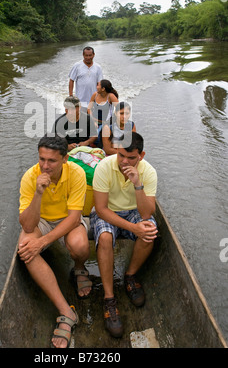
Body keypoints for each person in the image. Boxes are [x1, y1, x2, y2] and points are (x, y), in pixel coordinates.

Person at [18, 135, 92, 348]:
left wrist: (44, 243)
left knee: (79, 244)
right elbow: (27, 226)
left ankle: (79, 269)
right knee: (25, 249)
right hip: (41, 220)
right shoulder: (30, 177)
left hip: (68, 219)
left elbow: (74, 217)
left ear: (64, 159)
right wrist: (39, 194)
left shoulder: (76, 173)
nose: (45, 165)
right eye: (42, 159)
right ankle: (66, 311)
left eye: (51, 161)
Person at [90, 132, 158, 338]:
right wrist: (132, 228)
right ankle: (109, 298)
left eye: (131, 158)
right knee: (105, 238)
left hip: (133, 211)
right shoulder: (104, 167)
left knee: (149, 231)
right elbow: (101, 209)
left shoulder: (149, 172)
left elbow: (146, 213)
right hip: (108, 211)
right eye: (121, 156)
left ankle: (130, 275)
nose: (124, 162)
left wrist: (138, 184)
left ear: (141, 155)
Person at [87, 79, 119, 148]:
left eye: (98, 85)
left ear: (103, 89)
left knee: (97, 137)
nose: (96, 87)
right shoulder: (95, 95)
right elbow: (89, 108)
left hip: (106, 123)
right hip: (93, 120)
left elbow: (119, 109)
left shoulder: (110, 96)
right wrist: (93, 121)